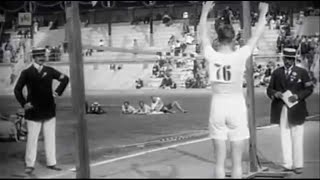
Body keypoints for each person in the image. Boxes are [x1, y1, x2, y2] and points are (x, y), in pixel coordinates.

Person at [199, 1, 269, 178]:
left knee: (219, 161)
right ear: (234, 38)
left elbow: (202, 34)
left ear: (218, 38)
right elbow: (257, 34)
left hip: (218, 105)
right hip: (236, 105)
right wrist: (262, 14)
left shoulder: (211, 54)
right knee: (237, 162)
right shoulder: (240, 54)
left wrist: (205, 12)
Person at [14, 48, 69, 174]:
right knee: (32, 139)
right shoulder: (26, 72)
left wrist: (57, 92)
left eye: (43, 55)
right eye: (39, 56)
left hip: (49, 110)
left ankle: (52, 163)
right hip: (33, 111)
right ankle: (30, 164)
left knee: (50, 138)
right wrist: (24, 103)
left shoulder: (49, 70)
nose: (41, 58)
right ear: (34, 57)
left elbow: (65, 79)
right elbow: (17, 90)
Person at [267, 48, 314, 174]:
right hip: (282, 107)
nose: (288, 61)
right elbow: (269, 89)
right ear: (283, 59)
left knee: (297, 135)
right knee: (284, 135)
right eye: (286, 58)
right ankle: (287, 163)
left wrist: (298, 96)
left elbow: (309, 89)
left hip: (297, 108)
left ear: (294, 59)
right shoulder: (277, 73)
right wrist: (275, 93)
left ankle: (298, 164)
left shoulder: (302, 72)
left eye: (290, 59)